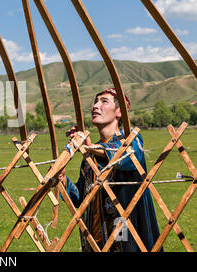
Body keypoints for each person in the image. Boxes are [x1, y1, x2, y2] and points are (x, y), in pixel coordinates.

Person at [59, 88, 161, 252]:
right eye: (95, 101)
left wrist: (89, 147)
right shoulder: (90, 156)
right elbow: (81, 197)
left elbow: (123, 157)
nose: (95, 106)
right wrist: (63, 181)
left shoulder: (132, 141)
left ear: (119, 112)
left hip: (124, 233)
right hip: (95, 240)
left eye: (104, 101)